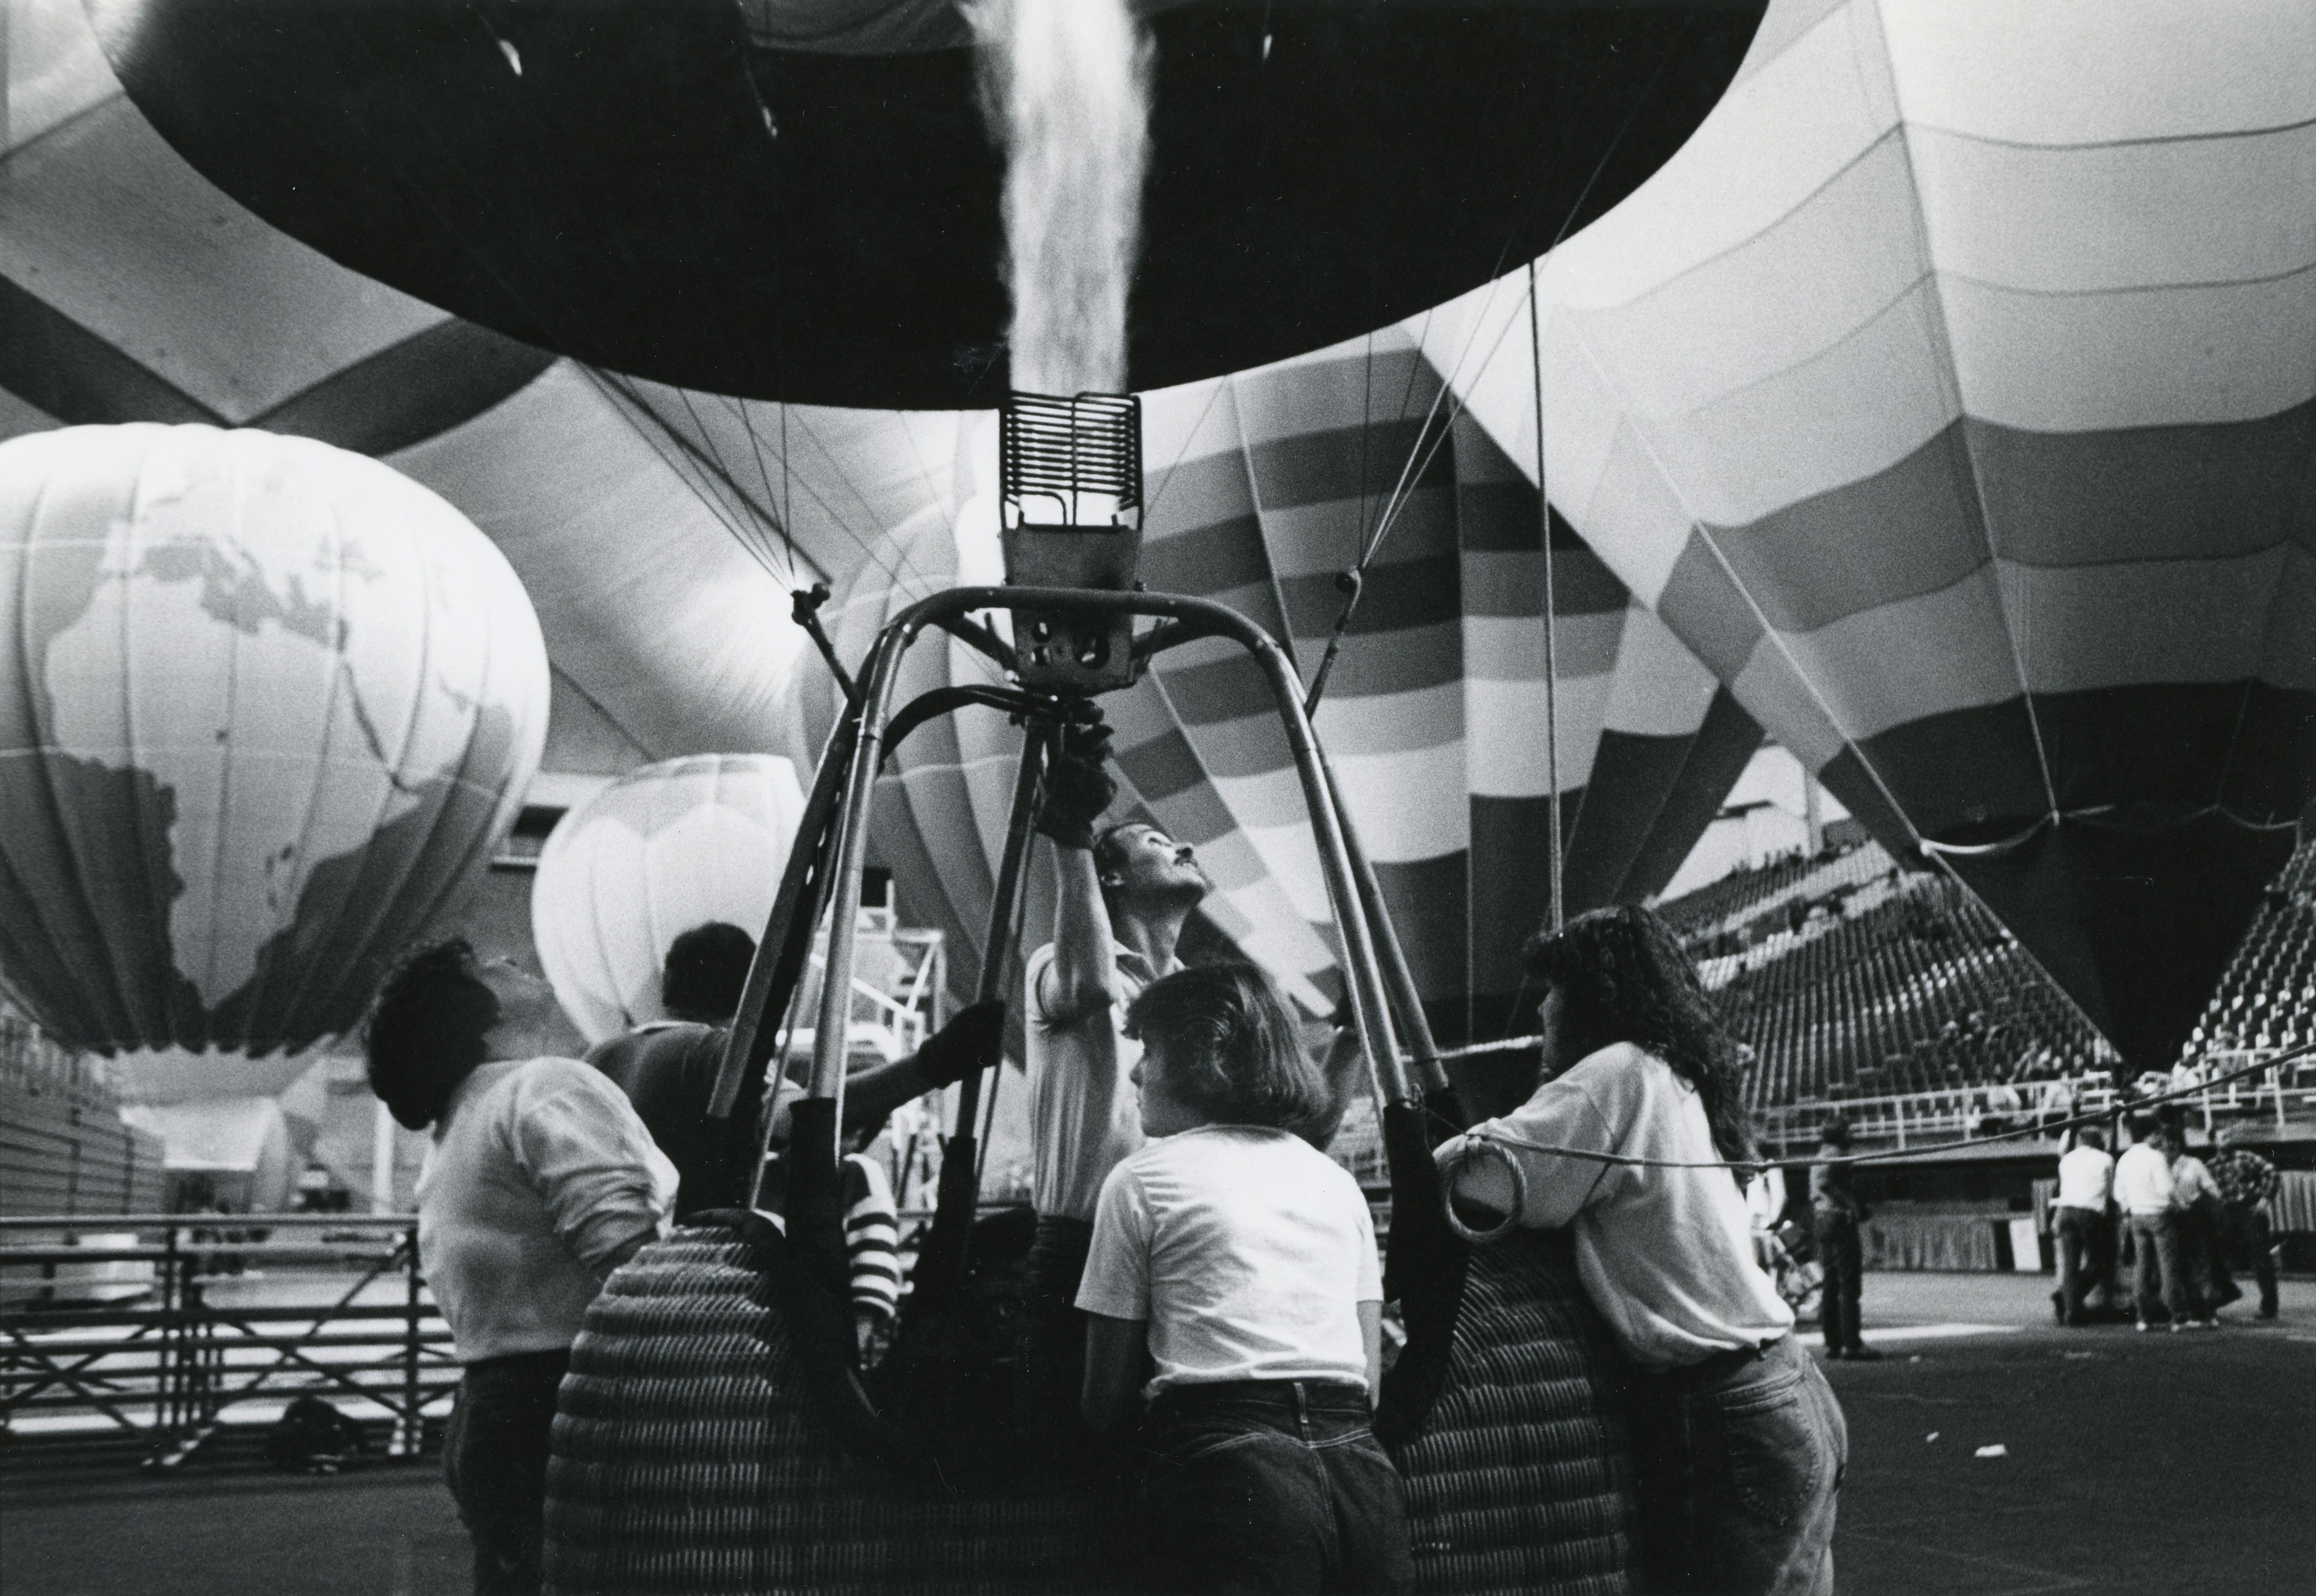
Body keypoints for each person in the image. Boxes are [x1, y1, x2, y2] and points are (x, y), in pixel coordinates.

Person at [1436, 905, 1845, 1596]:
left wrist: (1440, 1139)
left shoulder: (1618, 1073)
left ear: (1590, 995)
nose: (1540, 1005)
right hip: (1782, 1388)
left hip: (1724, 1413)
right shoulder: (1674, 1074)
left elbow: (1488, 1176)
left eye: (1553, 987)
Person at [1077, 963, 1410, 1595]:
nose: (1136, 1071)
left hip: (1230, 1473)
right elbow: (1367, 1378)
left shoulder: (1142, 1179)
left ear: (1208, 1051)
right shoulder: (1336, 1184)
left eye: (1149, 1048)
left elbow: (1103, 1402)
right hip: (1363, 1480)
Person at [367, 940, 678, 1596]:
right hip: (570, 1408)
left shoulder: (461, 1120)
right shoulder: (543, 1085)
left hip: (490, 1410)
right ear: (477, 1014)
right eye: (488, 964)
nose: (510, 957)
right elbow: (632, 1259)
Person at [1017, 722, 1207, 1435]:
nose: (1183, 845)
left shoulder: (1195, 993)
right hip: (1081, 1244)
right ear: (1114, 878)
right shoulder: (1052, 964)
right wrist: (1068, 833)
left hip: (1177, 1245)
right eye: (1158, 843)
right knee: (1066, 1467)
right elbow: (1094, 988)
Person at [588, 919, 1008, 1214]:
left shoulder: (600, 1057)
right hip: (691, 1283)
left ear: (665, 984)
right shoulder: (718, 1052)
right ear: (760, 992)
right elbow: (803, 1117)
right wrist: (936, 1062)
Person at [2113, 1119, 2192, 1331]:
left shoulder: (2124, 1159)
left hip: (2137, 1217)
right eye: (2157, 1134)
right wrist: (2183, 1203)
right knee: (2168, 1267)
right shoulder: (2156, 1158)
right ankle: (2177, 1316)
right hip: (2160, 1217)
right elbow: (2167, 1187)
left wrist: (2129, 1210)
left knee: (2142, 1267)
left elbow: (2119, 1194)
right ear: (2149, 1135)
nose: (2160, 1138)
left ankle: (2143, 1318)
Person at [1810, 1120, 1878, 1361]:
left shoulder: (1820, 1154)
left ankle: (1833, 1343)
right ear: (1839, 1135)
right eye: (1848, 1131)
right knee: (1849, 1284)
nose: (1852, 1135)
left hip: (1821, 1219)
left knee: (1830, 1283)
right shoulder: (1839, 1155)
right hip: (1838, 1220)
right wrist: (1853, 1207)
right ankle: (1853, 1344)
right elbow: (1827, 1184)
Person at [2207, 1124, 2280, 1320]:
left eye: (2229, 1136)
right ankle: (2219, 1297)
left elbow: (2271, 1171)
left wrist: (2266, 1198)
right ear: (2214, 1142)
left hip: (2249, 1209)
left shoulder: (2245, 1157)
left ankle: (2269, 1307)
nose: (2228, 1140)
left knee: (2260, 1259)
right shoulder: (2211, 1166)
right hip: (2227, 1213)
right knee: (2218, 1257)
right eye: (2223, 1137)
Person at [2051, 1126, 2116, 1326]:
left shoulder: (2067, 1160)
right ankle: (2067, 1298)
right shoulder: (2105, 1159)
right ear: (2098, 1143)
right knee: (2099, 1263)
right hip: (2089, 1212)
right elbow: (2111, 1191)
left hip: (2064, 1212)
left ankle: (2071, 1307)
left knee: (2070, 1265)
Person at [2167, 1132, 2228, 1325]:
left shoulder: (2193, 1164)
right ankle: (2182, 1310)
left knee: (2201, 1263)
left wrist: (2217, 1204)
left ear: (2180, 1145)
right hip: (2168, 1218)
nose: (2170, 1146)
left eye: (2173, 1142)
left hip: (2192, 1217)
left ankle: (2208, 1311)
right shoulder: (2157, 1165)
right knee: (2176, 1265)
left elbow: (2212, 1188)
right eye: (2166, 1143)